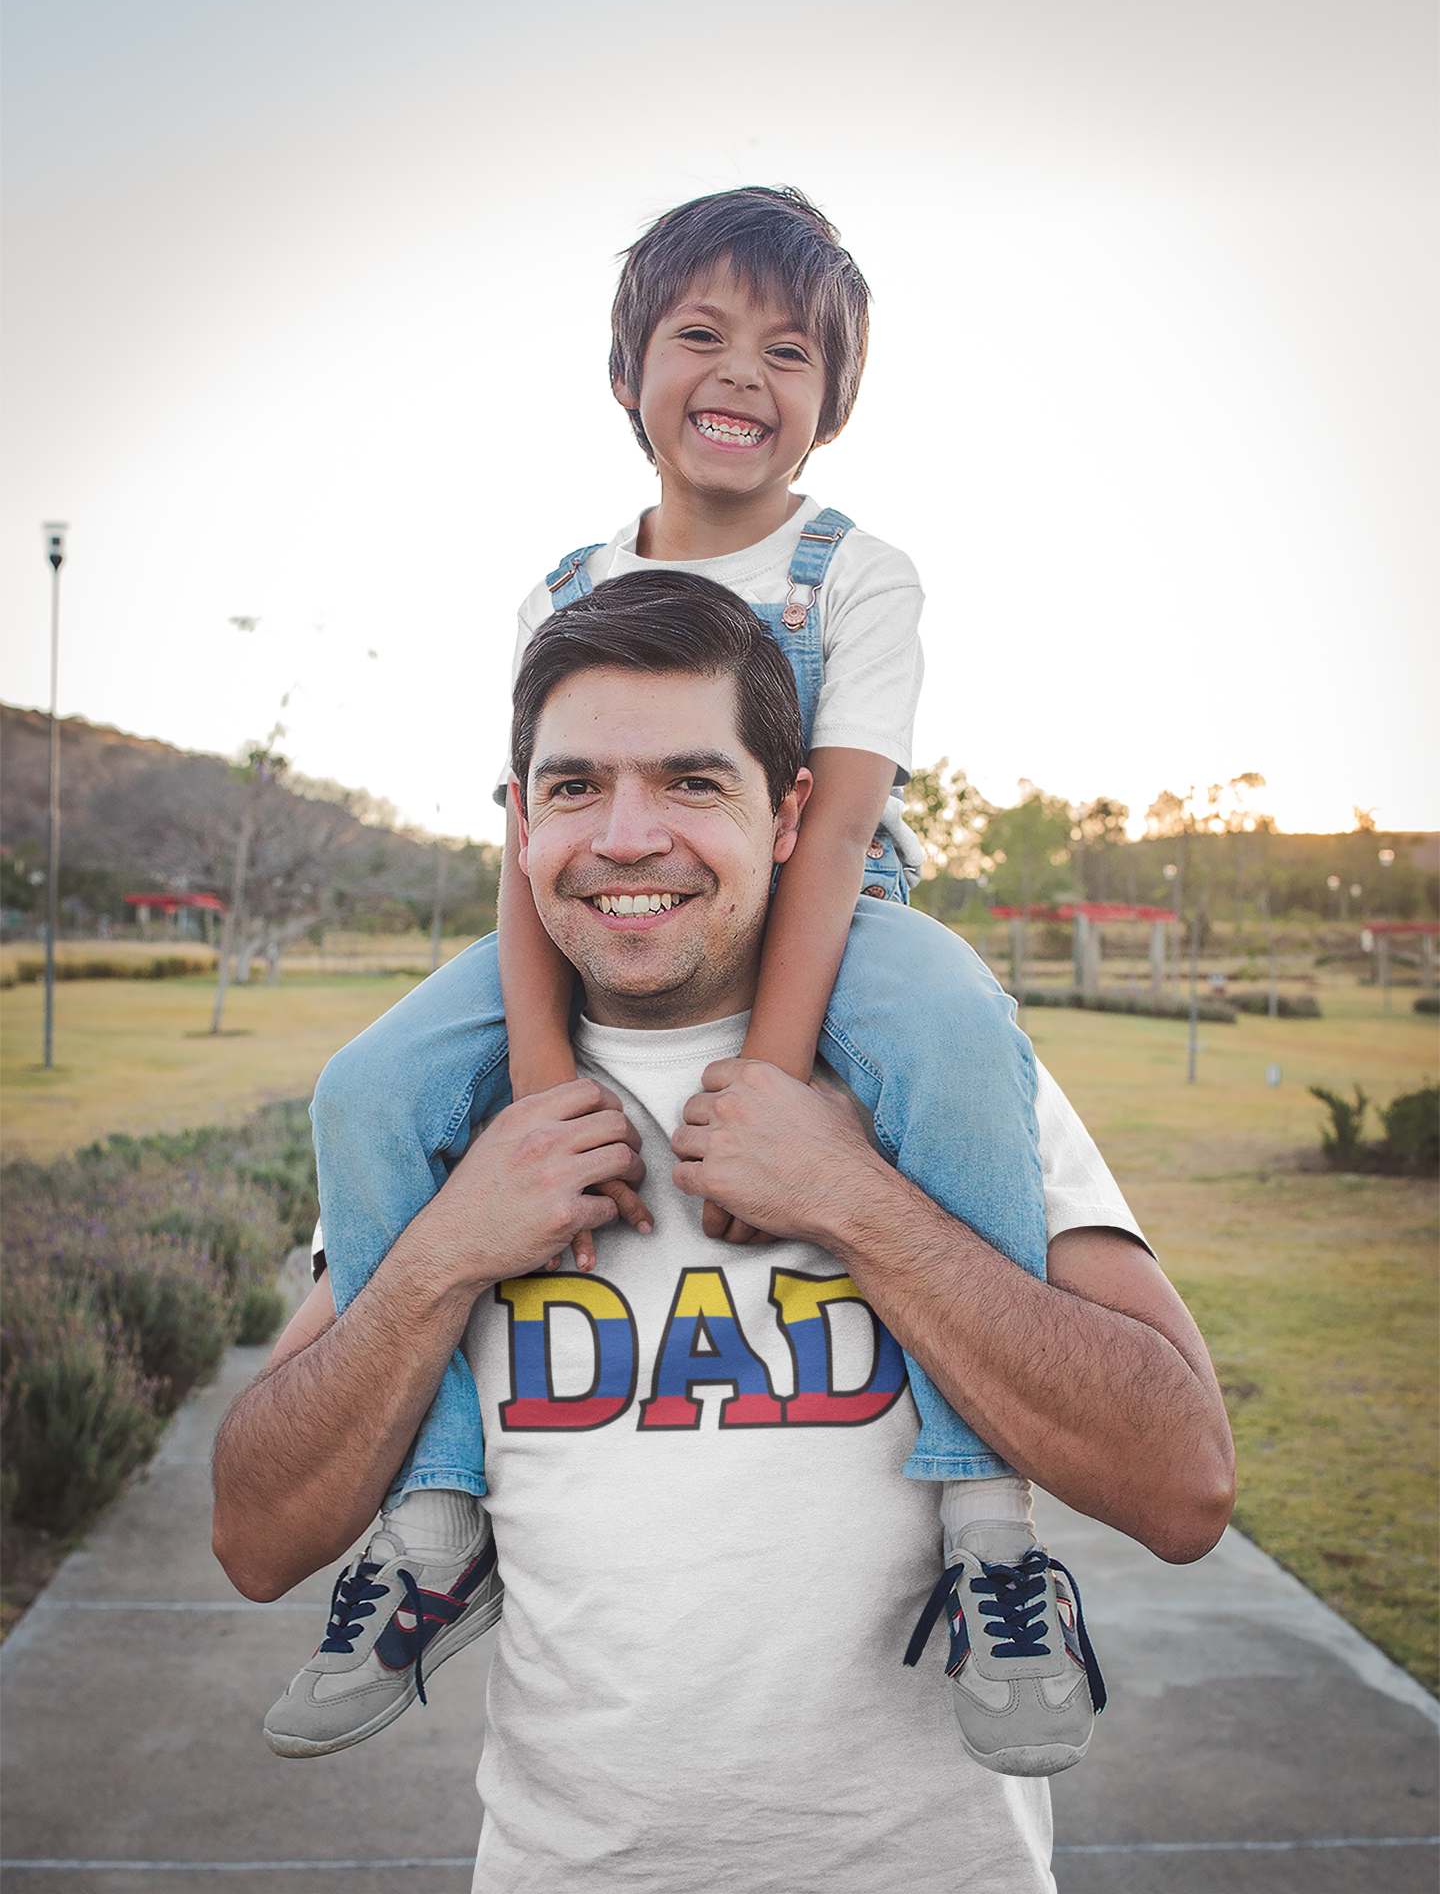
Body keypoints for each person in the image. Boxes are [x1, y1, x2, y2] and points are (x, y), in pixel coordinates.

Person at [263, 186, 1139, 1770]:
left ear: (834, 404)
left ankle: (990, 1532)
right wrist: (546, 1104)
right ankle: (438, 1517)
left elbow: (840, 825)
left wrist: (775, 1091)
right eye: (702, 334)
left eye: (790, 349)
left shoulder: (857, 577)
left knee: (948, 1019)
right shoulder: (563, 590)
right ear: (627, 377)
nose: (744, 371)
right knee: (368, 1082)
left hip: (829, 900)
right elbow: (536, 835)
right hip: (602, 902)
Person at [213, 581, 1235, 1892]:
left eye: (693, 783)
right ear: (520, 820)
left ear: (793, 813)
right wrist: (448, 1252)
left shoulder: (945, 1081)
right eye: (575, 787)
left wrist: (859, 1199)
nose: (628, 838)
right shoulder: (449, 1123)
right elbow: (256, 1534)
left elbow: (1184, 1487)